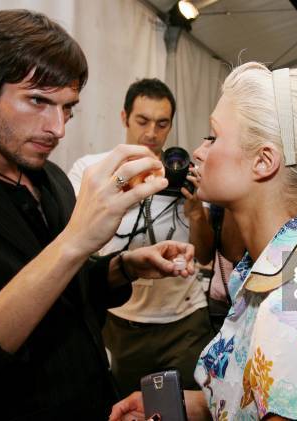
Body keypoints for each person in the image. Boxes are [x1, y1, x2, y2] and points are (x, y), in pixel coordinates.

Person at [0, 10, 195, 420]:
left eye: (67, 108)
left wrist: (122, 268)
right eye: (37, 101)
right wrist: (75, 240)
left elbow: (65, 289)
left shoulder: (48, 177)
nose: (58, 128)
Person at [110, 62, 297, 421]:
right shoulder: (275, 275)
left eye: (213, 136)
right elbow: (249, 399)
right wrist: (187, 406)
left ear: (263, 161)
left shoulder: (292, 316)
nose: (198, 151)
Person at [68, 78, 213, 396]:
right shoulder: (92, 170)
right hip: (121, 321)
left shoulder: (182, 173)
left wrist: (196, 210)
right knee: (129, 407)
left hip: (184, 319)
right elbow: (73, 240)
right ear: (124, 118)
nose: (151, 132)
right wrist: (123, 182)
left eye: (162, 124)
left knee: (181, 408)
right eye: (142, 121)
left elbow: (203, 257)